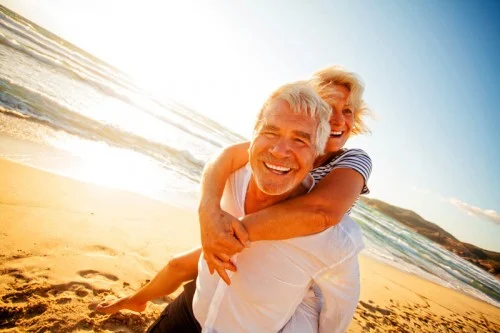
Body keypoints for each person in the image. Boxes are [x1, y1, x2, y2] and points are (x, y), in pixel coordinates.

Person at [97, 66, 372, 331]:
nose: (337, 119)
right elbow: (226, 158)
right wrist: (209, 213)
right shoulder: (277, 143)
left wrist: (226, 232)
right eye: (328, 106)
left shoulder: (351, 160)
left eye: (347, 111)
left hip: (297, 264)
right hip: (248, 239)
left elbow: (322, 212)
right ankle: (138, 299)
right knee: (178, 265)